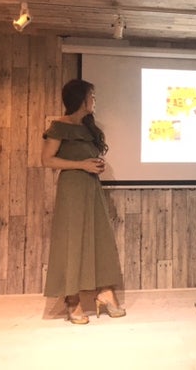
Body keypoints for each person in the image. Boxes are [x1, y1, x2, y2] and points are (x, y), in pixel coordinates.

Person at [41, 79, 125, 324]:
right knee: (72, 239)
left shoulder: (89, 127)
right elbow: (47, 160)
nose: (95, 101)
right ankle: (72, 299)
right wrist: (82, 165)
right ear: (80, 99)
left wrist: (95, 165)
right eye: (92, 96)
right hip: (72, 189)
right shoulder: (59, 126)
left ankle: (105, 292)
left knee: (100, 237)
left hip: (92, 187)